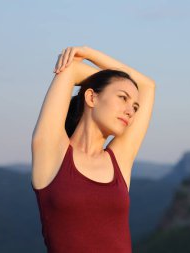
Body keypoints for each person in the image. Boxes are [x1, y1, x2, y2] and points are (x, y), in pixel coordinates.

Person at [31, 46, 156, 252]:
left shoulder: (118, 160)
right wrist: (99, 71)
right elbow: (71, 71)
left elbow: (147, 87)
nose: (129, 111)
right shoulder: (52, 151)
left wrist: (89, 54)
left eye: (135, 107)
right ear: (91, 97)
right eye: (123, 98)